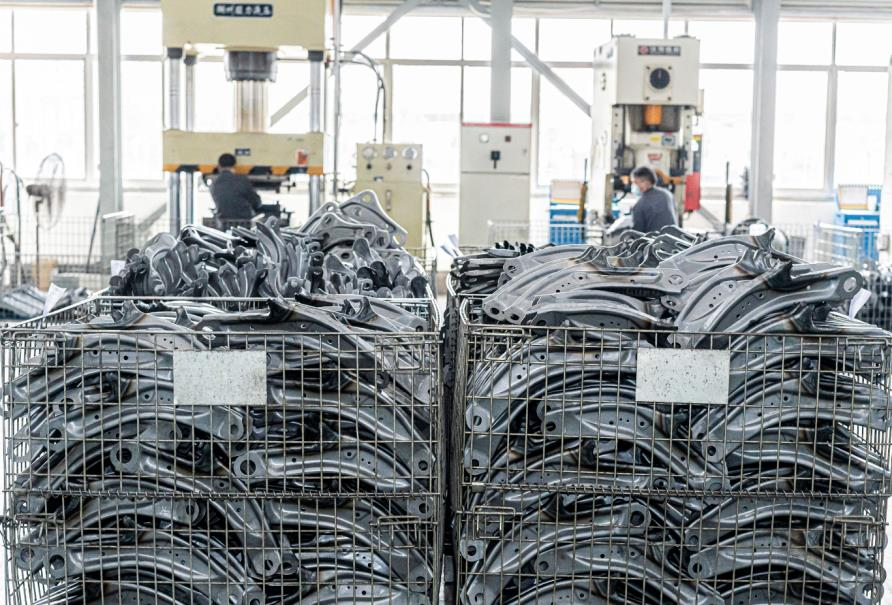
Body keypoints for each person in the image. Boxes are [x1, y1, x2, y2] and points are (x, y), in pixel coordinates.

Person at [210, 153, 262, 221]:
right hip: (245, 221)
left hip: (223, 221)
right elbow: (256, 203)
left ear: (219, 166)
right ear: (234, 165)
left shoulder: (214, 184)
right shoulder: (242, 180)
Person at [630, 165, 677, 233]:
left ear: (645, 182)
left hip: (654, 239)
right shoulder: (667, 194)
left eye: (635, 182)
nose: (634, 185)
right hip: (674, 238)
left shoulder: (640, 204)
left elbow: (637, 232)